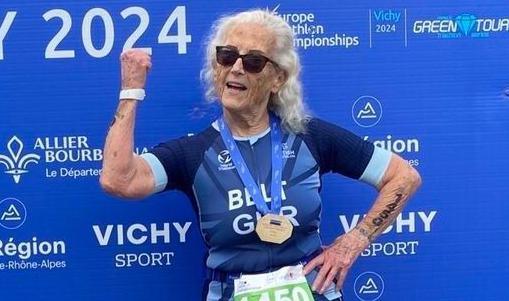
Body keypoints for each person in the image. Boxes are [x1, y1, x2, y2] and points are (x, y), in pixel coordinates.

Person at [100, 9, 421, 301]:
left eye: (253, 61)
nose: (236, 68)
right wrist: (131, 90)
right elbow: (118, 179)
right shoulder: (193, 152)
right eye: (226, 56)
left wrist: (355, 241)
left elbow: (403, 176)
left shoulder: (311, 137)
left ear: (277, 78)